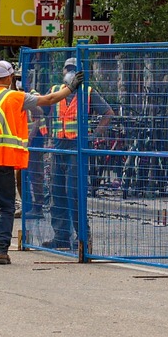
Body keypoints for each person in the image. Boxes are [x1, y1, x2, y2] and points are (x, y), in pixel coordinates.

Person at [0, 58, 74, 265]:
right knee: (6, 207)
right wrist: (71, 87)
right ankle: (2, 250)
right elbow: (50, 99)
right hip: (2, 161)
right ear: (10, 77)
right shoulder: (16, 97)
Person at [42, 56, 113, 250]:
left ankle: (82, 237)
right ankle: (62, 237)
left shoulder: (88, 92)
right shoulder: (56, 91)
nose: (70, 73)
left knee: (73, 194)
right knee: (57, 194)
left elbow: (108, 113)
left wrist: (93, 136)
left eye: (74, 69)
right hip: (58, 148)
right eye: (68, 69)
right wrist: (48, 134)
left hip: (76, 149)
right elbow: (45, 111)